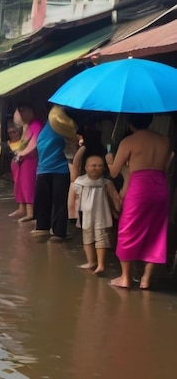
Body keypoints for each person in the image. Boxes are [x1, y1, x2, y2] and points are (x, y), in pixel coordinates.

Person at [106, 114, 173, 290]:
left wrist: (109, 160)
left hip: (140, 189)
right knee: (156, 231)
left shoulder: (129, 141)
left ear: (130, 123)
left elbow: (113, 172)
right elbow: (165, 168)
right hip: (160, 187)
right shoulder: (165, 140)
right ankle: (145, 279)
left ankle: (125, 278)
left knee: (128, 230)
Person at [31, 105, 75, 241]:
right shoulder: (58, 128)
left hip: (51, 170)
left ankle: (50, 230)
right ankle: (51, 231)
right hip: (52, 170)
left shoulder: (55, 128)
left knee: (51, 202)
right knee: (52, 202)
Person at [73, 155, 121, 275]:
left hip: (102, 214)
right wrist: (72, 214)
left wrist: (118, 209)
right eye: (93, 165)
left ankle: (101, 264)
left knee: (101, 238)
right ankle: (91, 262)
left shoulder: (106, 183)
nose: (96, 168)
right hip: (85, 214)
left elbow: (115, 197)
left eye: (100, 166)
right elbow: (74, 198)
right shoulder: (80, 181)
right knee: (87, 238)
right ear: (86, 167)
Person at [11, 104, 43, 222]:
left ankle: (31, 212)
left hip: (30, 159)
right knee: (19, 184)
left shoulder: (35, 124)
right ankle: (22, 208)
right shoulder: (28, 125)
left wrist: (22, 153)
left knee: (28, 185)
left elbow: (34, 142)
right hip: (22, 159)